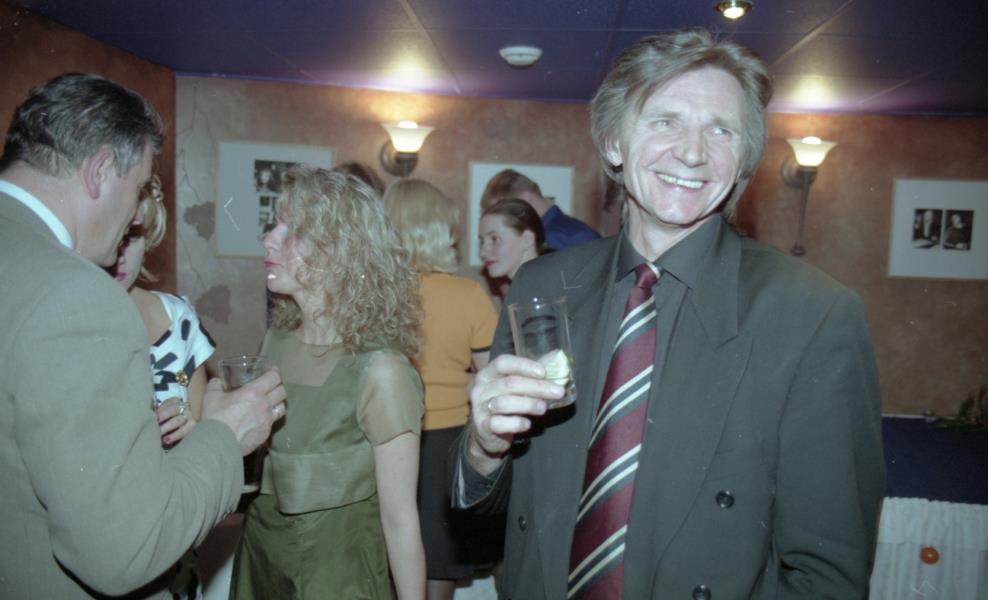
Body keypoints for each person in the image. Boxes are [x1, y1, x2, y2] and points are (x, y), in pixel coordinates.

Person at [452, 28, 884, 599]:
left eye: (721, 130)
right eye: (665, 121)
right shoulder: (544, 284)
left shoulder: (812, 315)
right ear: (614, 142)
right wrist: (482, 449)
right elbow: (497, 519)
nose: (693, 152)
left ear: (742, 161)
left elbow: (828, 576)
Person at [0, 73, 287, 598]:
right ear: (100, 171)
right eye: (137, 191)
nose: (137, 213)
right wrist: (225, 436)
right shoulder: (78, 295)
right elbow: (123, 550)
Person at [231, 167, 426, 599]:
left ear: (339, 251)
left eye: (292, 229)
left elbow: (400, 520)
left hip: (337, 578)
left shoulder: (382, 370)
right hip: (261, 561)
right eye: (274, 224)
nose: (269, 239)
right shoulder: (276, 341)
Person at [384, 179, 499, 600]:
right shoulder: (467, 294)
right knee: (437, 563)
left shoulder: (374, 296)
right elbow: (494, 382)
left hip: (383, 437)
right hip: (446, 444)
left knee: (387, 557)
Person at [480, 168, 600, 250]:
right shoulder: (573, 231)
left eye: (506, 212)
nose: (503, 221)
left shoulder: (553, 238)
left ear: (526, 200)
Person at [478, 197, 552, 297]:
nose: (482, 253)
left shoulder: (550, 294)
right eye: (482, 241)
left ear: (527, 239)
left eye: (495, 239)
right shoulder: (521, 293)